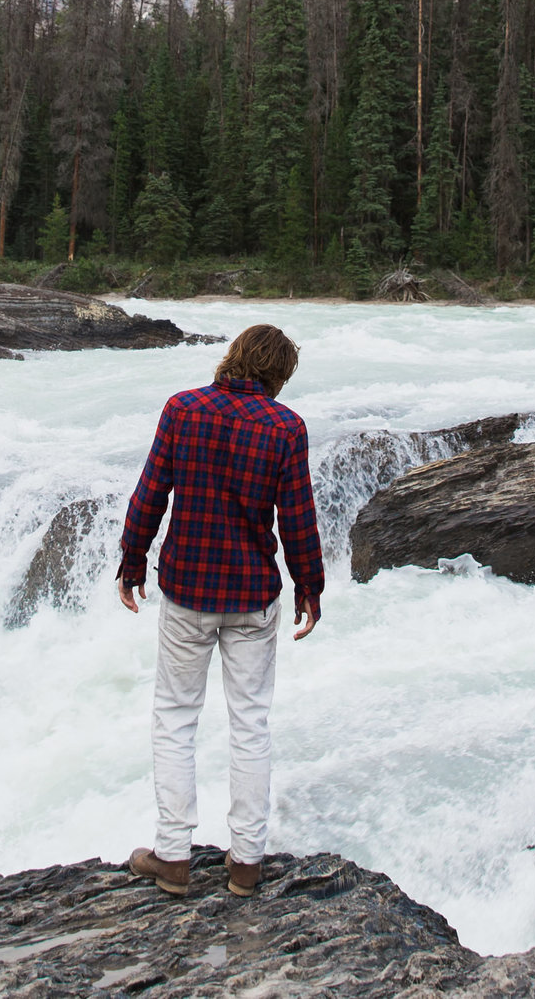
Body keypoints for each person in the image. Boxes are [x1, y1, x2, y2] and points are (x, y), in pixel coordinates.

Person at [116, 323, 323, 899]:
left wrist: (132, 563)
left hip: (187, 588)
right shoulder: (286, 428)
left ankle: (174, 857)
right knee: (251, 723)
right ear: (277, 374)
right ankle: (247, 864)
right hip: (253, 593)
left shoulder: (183, 410)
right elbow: (298, 517)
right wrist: (310, 587)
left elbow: (149, 494)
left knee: (176, 718)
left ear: (233, 357)